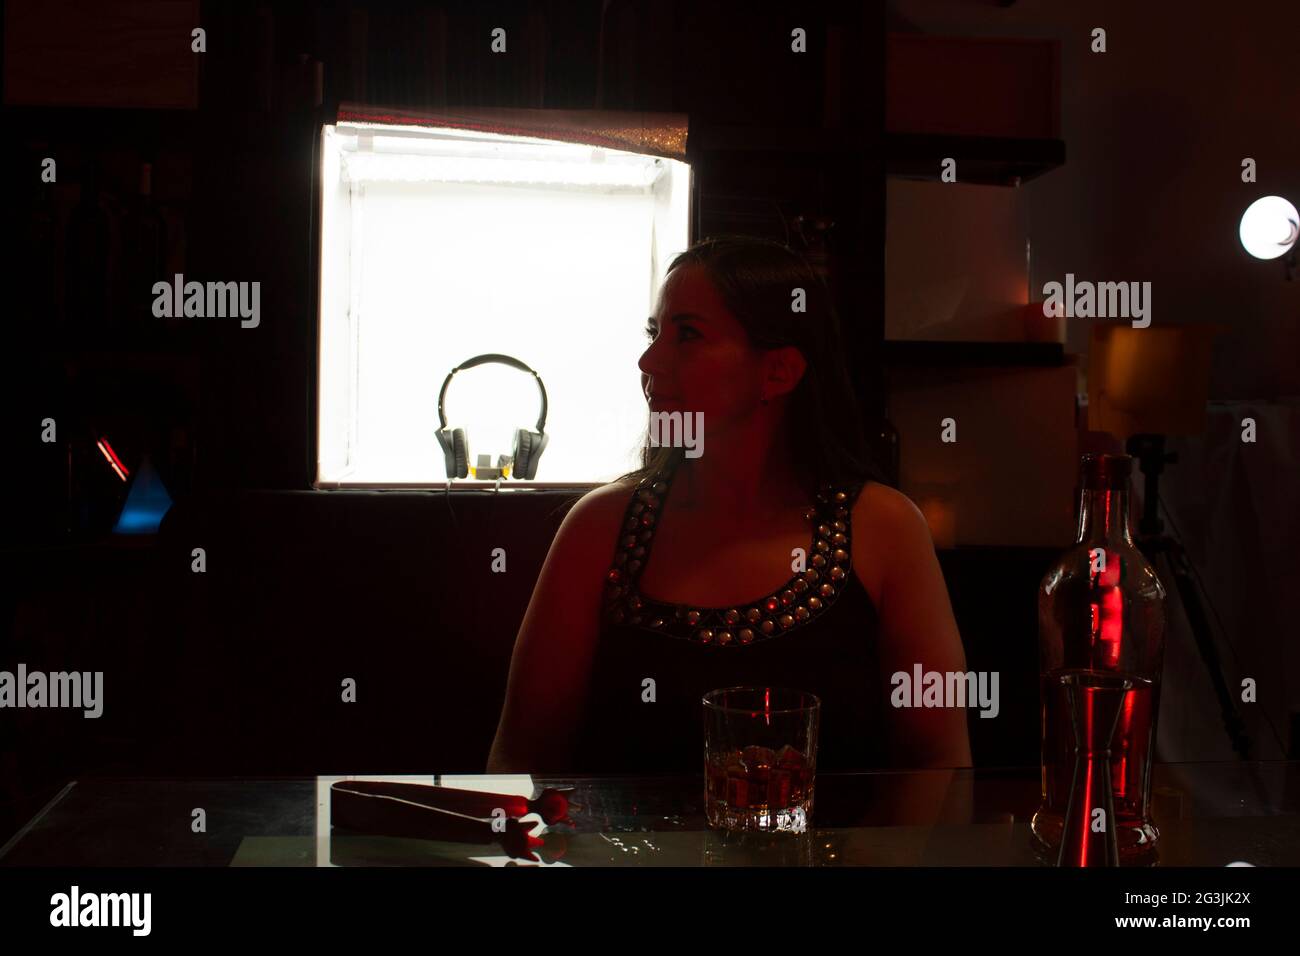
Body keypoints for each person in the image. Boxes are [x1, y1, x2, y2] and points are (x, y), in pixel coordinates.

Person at [488, 235, 972, 782]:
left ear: (779, 372)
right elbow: (520, 759)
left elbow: (939, 764)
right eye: (655, 333)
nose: (648, 360)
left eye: (687, 335)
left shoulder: (885, 528)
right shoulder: (600, 526)